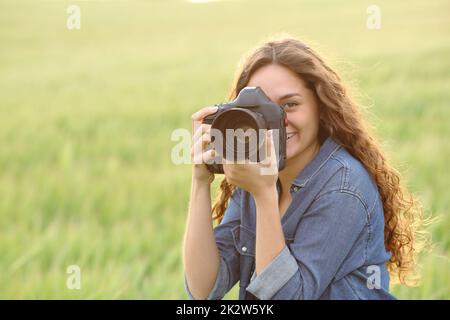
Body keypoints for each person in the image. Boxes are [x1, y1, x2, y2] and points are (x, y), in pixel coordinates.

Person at [183, 36, 424, 300]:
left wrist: (264, 196)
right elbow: (203, 289)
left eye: (290, 105)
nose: (276, 120)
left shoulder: (343, 187)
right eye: (259, 109)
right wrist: (200, 181)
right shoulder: (255, 173)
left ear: (320, 108)